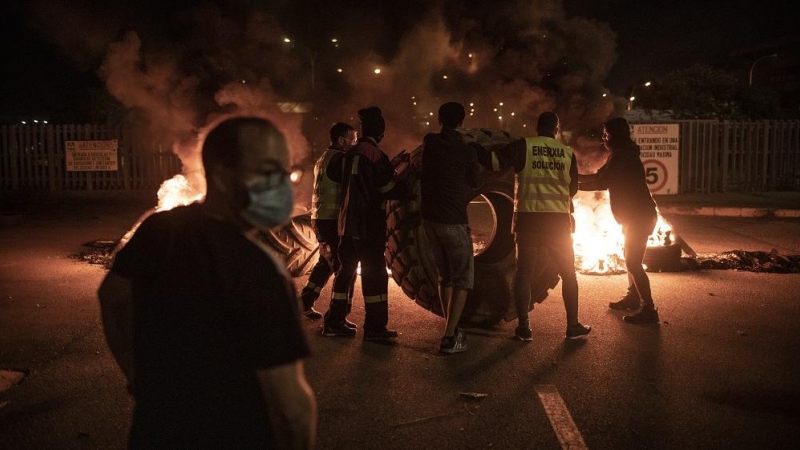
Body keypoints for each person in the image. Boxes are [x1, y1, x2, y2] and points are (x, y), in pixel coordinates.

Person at [98, 116, 317, 449]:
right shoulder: (258, 269)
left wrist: (138, 378)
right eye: (268, 171)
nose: (282, 185)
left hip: (154, 433)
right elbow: (292, 409)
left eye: (285, 172)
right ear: (224, 177)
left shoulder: (159, 230)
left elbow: (112, 298)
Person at [490, 112, 591, 341]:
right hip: (558, 224)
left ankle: (524, 328)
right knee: (568, 274)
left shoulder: (523, 146)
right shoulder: (567, 153)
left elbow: (496, 162)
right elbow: (572, 189)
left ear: (538, 128)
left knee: (524, 274)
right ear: (556, 130)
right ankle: (572, 325)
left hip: (529, 220)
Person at [322, 106, 408, 341]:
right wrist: (405, 186)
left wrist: (390, 166)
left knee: (345, 273)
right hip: (368, 227)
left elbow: (350, 177)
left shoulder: (348, 154)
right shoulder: (375, 155)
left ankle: (334, 322)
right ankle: (375, 328)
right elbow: (385, 188)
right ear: (381, 133)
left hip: (345, 227)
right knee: (375, 277)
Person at [579, 117, 660, 324]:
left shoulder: (622, 157)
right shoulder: (620, 153)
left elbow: (602, 182)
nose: (603, 137)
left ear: (614, 135)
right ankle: (633, 297)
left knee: (633, 262)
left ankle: (649, 310)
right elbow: (599, 176)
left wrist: (572, 185)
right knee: (630, 259)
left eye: (606, 133)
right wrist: (573, 180)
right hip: (635, 216)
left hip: (639, 217)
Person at [421, 102, 481, 354]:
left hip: (430, 221)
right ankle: (448, 338)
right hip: (454, 221)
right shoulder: (466, 151)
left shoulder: (430, 142)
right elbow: (475, 182)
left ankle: (451, 328)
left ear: (438, 118)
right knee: (463, 280)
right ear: (461, 121)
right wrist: (474, 155)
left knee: (444, 277)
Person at [299, 122, 358, 320]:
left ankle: (304, 303)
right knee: (343, 269)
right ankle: (337, 318)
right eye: (353, 140)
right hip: (331, 220)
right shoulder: (340, 159)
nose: (355, 144)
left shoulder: (323, 158)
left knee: (325, 262)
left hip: (320, 218)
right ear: (342, 140)